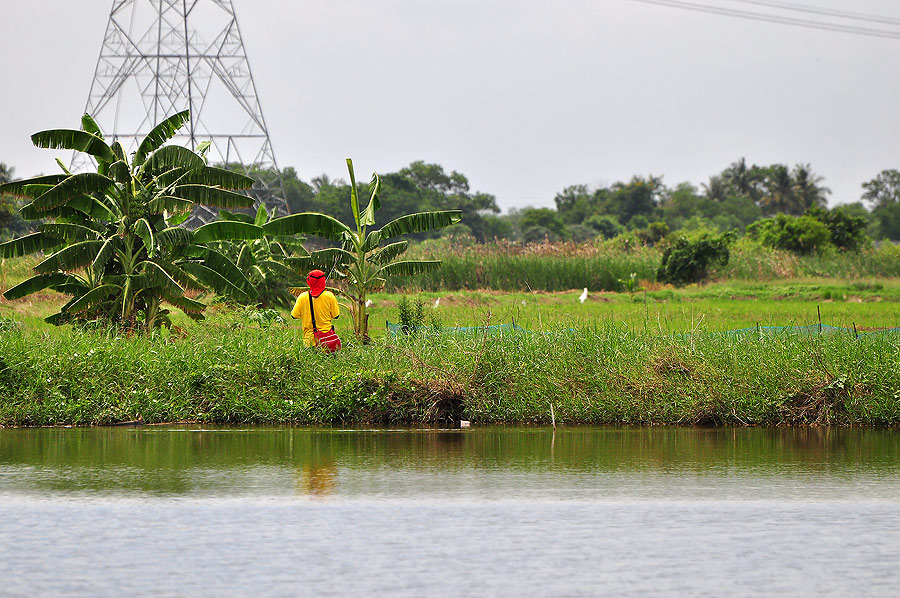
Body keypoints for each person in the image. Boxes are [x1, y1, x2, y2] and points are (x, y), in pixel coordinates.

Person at [291, 269, 341, 349]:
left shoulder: (302, 297)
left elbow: (294, 315)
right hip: (327, 341)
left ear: (309, 281)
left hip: (309, 342)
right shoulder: (329, 296)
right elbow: (336, 315)